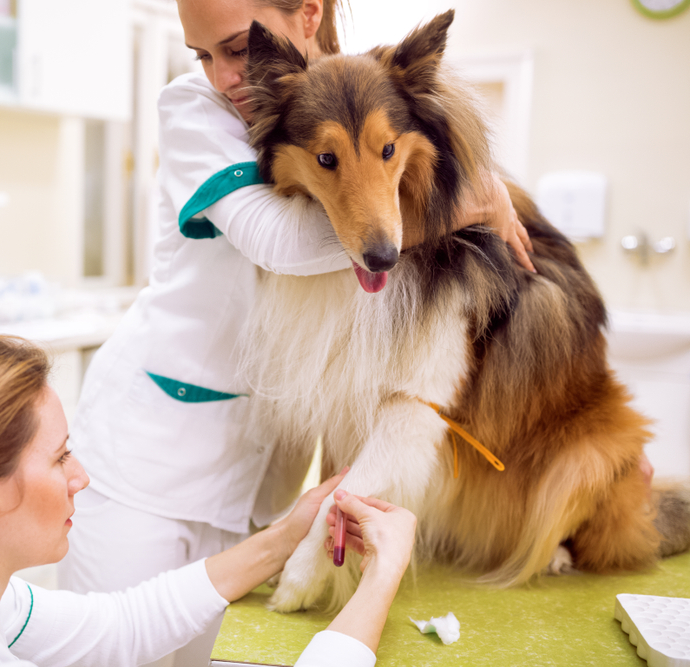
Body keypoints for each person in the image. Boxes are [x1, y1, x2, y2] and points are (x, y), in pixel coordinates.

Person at [60, 0, 535, 663]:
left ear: (308, 14)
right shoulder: (192, 109)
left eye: (235, 47)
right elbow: (278, 240)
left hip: (260, 479)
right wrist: (465, 204)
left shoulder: (357, 92)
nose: (225, 75)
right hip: (150, 465)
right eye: (205, 54)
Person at [0, 335, 416, 667]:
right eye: (59, 456)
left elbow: (124, 623)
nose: (81, 475)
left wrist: (285, 535)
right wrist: (382, 575)